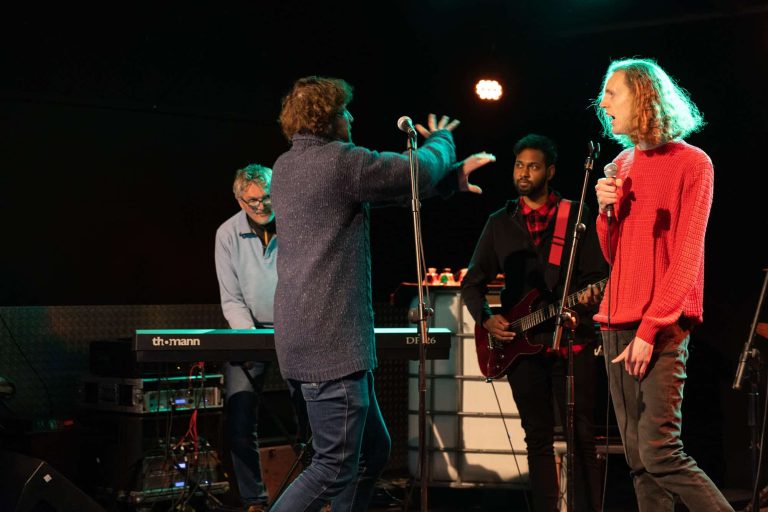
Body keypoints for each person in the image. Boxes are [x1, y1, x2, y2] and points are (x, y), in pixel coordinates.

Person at [269, 76, 490, 511]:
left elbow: (393, 190)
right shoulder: (340, 162)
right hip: (331, 344)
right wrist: (443, 141)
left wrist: (448, 183)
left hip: (303, 339)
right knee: (332, 465)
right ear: (327, 118)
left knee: (371, 452)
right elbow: (415, 171)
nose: (351, 118)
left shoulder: (286, 166)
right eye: (344, 111)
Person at [594, 58, 733, 511]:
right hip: (616, 319)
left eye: (612, 92)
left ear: (643, 95)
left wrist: (650, 329)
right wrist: (606, 212)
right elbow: (617, 254)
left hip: (662, 325)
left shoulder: (694, 164)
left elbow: (688, 257)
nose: (603, 102)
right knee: (637, 458)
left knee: (660, 452)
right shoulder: (620, 163)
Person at [461, 134, 606, 512]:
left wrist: (585, 308)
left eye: (534, 166)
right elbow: (472, 284)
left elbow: (597, 278)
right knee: (536, 438)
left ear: (551, 171)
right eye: (519, 165)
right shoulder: (499, 222)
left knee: (582, 437)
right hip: (520, 346)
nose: (524, 173)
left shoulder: (576, 216)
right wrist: (488, 319)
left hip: (572, 340)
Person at [214, 164, 306, 512]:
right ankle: (254, 501)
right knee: (239, 420)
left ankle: (316, 494)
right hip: (247, 329)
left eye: (267, 197)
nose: (261, 206)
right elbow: (231, 298)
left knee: (309, 417)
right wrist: (250, 340)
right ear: (239, 201)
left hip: (295, 328)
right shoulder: (226, 234)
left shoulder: (295, 222)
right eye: (252, 201)